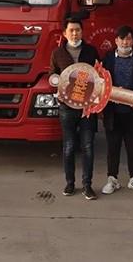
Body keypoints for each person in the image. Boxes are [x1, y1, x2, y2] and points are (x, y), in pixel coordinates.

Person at [50, 18, 100, 200]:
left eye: (77, 30)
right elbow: (52, 75)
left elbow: (99, 75)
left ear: (82, 32)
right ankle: (70, 183)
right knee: (69, 147)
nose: (74, 33)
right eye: (71, 30)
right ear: (65, 33)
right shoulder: (57, 53)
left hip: (87, 108)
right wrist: (56, 85)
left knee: (88, 146)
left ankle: (87, 185)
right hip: (67, 107)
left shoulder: (91, 51)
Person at [100, 26, 133, 195]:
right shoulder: (107, 59)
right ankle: (112, 179)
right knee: (112, 148)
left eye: (128, 39)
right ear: (116, 41)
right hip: (112, 112)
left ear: (132, 41)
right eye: (122, 39)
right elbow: (100, 83)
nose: (125, 42)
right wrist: (100, 107)